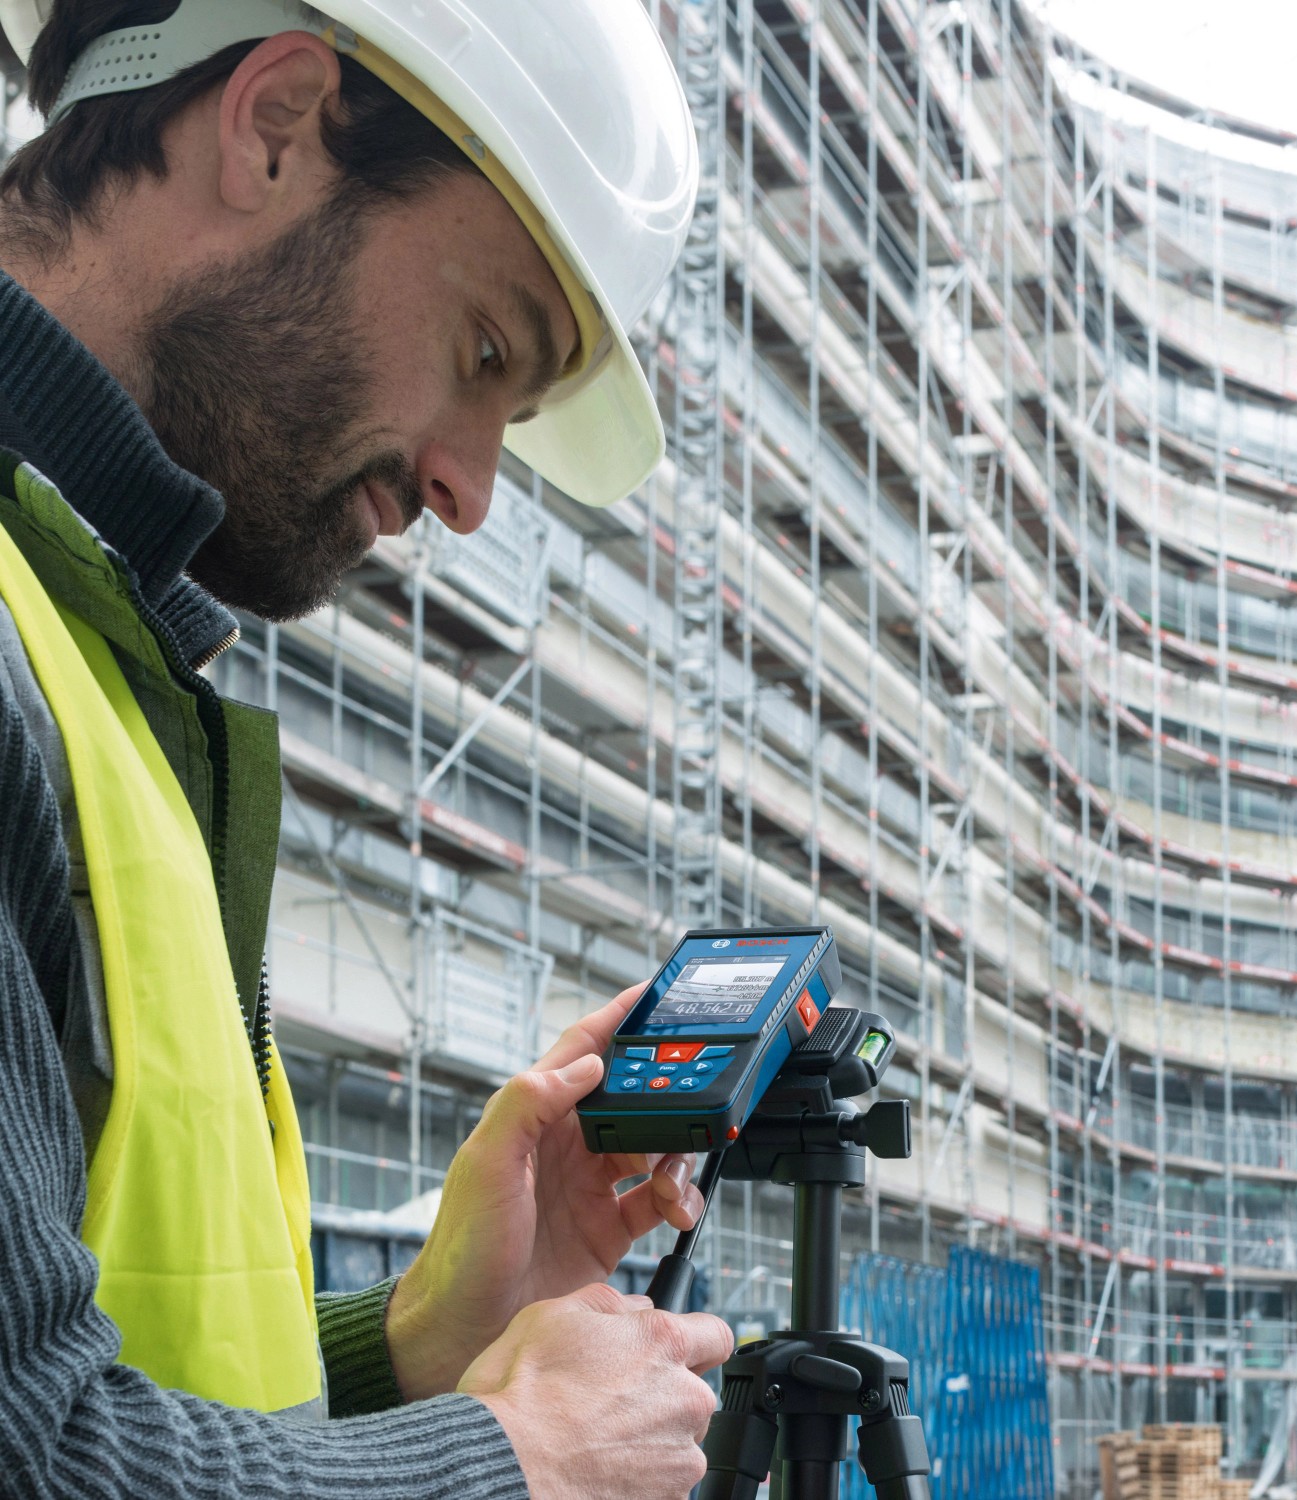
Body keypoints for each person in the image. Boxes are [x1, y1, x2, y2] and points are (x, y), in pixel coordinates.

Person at [0, 0, 734, 1496]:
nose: (470, 489)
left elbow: (117, 1377)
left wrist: (411, 1343)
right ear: (274, 127)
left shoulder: (96, 660)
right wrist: (509, 1461)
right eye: (482, 348)